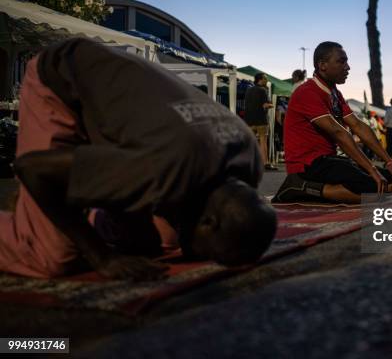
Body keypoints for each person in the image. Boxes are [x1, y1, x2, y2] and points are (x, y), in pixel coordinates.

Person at [0, 38, 277, 280]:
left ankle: (89, 204)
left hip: (115, 103)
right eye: (210, 254)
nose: (196, 255)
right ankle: (35, 220)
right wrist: (102, 258)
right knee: (52, 254)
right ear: (208, 222)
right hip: (61, 78)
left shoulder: (248, 161)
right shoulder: (163, 169)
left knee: (159, 241)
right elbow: (33, 168)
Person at [273, 41, 392, 204]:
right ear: (322, 65)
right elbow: (339, 132)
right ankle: (299, 186)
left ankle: (319, 186)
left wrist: (388, 160)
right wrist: (372, 169)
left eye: (347, 62)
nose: (348, 67)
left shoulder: (335, 93)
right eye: (342, 61)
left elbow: (358, 126)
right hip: (308, 164)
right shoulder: (307, 92)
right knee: (379, 187)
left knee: (389, 177)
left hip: (329, 160)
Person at [245, 73, 276, 170]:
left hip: (249, 120)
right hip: (261, 119)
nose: (266, 80)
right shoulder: (263, 90)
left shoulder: (248, 90)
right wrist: (272, 105)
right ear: (260, 79)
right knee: (263, 141)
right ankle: (265, 163)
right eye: (265, 79)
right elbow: (265, 105)